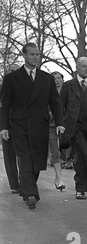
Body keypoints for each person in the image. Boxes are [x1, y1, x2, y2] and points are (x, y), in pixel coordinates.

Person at [0, 43, 65, 209]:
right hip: (19, 125)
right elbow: (5, 104)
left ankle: (26, 187)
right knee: (25, 158)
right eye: (32, 54)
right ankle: (30, 193)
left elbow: (55, 103)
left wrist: (60, 123)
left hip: (40, 125)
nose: (35, 57)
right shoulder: (11, 78)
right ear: (24, 55)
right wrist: (4, 126)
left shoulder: (46, 78)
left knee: (37, 160)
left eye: (37, 54)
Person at [60, 57, 87, 200]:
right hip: (75, 127)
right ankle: (81, 189)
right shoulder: (68, 86)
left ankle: (80, 170)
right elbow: (60, 106)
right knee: (83, 155)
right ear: (77, 68)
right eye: (84, 66)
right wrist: (61, 124)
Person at [0, 64, 20, 194]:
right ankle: (14, 184)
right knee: (9, 155)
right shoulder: (2, 87)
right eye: (11, 71)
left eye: (16, 71)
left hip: (22, 125)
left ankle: (26, 180)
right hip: (7, 125)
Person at [49, 71, 66, 191]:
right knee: (55, 151)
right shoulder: (47, 93)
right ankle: (59, 178)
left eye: (59, 78)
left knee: (63, 153)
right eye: (54, 79)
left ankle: (57, 177)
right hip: (51, 126)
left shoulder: (67, 93)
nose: (57, 80)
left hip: (65, 127)